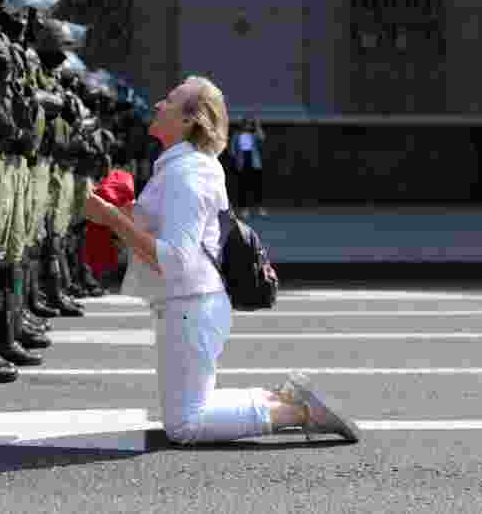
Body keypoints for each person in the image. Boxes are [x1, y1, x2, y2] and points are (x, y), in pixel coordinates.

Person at [84, 76, 359, 446]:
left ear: (188, 120)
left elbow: (175, 259)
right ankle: (279, 399)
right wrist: (124, 211)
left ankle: (300, 412)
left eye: (169, 100)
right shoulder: (180, 166)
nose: (158, 105)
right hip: (187, 305)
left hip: (191, 306)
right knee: (186, 413)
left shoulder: (188, 172)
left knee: (186, 426)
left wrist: (112, 218)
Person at [230, 116, 266, 218]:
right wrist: (237, 161)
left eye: (249, 124)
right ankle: (244, 210)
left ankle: (260, 208)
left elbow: (262, 137)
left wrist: (257, 124)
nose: (247, 126)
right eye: (245, 124)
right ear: (242, 125)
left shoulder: (254, 135)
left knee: (257, 186)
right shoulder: (236, 135)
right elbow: (232, 151)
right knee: (243, 187)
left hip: (254, 162)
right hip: (242, 162)